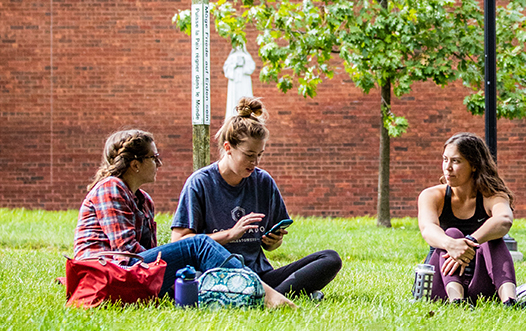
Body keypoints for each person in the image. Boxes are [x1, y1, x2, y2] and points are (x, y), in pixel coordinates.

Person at [73, 128, 295, 309]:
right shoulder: (111, 189)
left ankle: (247, 291)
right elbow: (127, 251)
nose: (159, 164)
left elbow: (150, 255)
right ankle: (269, 297)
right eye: (154, 158)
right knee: (198, 244)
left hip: (129, 273)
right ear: (135, 164)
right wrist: (179, 258)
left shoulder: (144, 200)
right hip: (104, 275)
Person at [171, 97, 342, 298]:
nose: (255, 162)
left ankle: (267, 296)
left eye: (259, 155)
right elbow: (179, 242)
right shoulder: (200, 183)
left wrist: (272, 241)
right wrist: (230, 234)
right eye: (249, 154)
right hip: (220, 278)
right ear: (228, 148)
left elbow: (271, 246)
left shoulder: (263, 181)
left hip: (260, 274)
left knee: (330, 259)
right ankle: (280, 296)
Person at [417, 132, 526, 307]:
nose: (447, 167)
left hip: (480, 284)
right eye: (445, 160)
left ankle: (510, 301)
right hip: (442, 285)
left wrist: (470, 241)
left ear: (474, 165)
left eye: (456, 161)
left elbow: (504, 219)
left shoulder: (493, 196)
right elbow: (427, 229)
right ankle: (457, 302)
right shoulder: (431, 195)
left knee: (493, 238)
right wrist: (450, 244)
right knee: (452, 233)